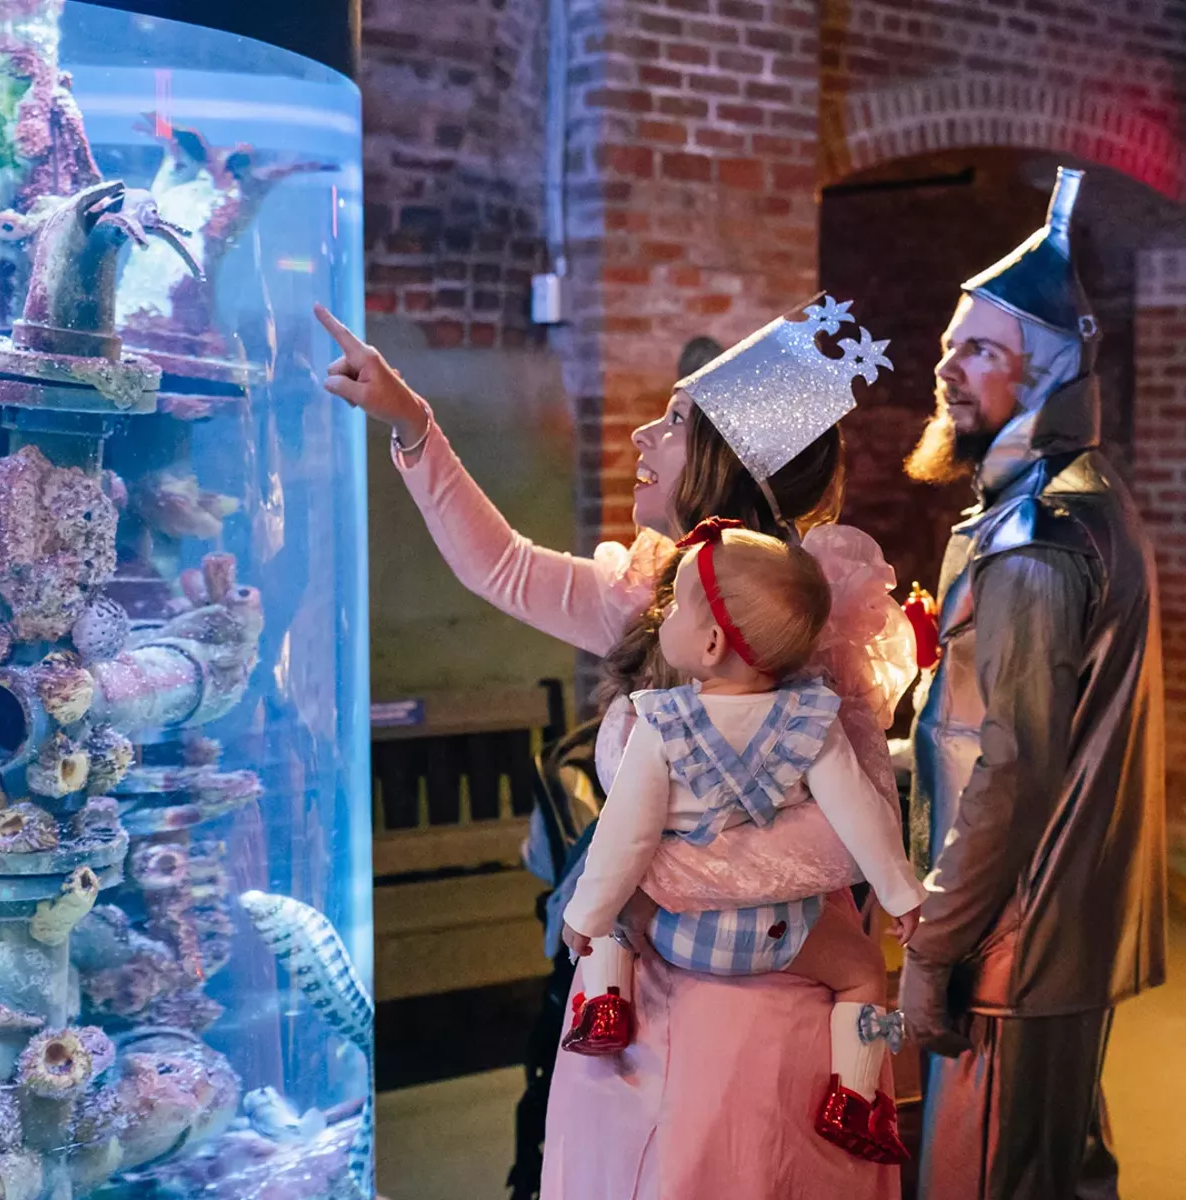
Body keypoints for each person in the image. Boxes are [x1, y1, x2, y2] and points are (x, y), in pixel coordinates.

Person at [315, 295, 916, 1199]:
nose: (641, 434)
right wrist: (414, 427)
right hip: (633, 1017)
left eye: (673, 421)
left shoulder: (813, 626)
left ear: (726, 464)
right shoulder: (648, 598)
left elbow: (854, 830)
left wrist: (653, 883)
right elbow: (504, 566)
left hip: (759, 1019)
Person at [900, 166, 1167, 1200]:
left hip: (1012, 942)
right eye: (948, 342)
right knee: (1059, 1175)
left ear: (1045, 375)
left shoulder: (1029, 540)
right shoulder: (1083, 499)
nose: (945, 366)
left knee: (988, 1182)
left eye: (977, 350)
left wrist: (932, 950)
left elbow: (1007, 770)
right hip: (1059, 935)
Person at [561, 520, 925, 1165]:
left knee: (618, 894)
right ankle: (855, 1100)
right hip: (779, 937)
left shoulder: (661, 722)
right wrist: (901, 897)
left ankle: (605, 1002)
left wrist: (585, 918)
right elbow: (862, 816)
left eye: (674, 605)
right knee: (865, 970)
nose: (663, 613)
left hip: (681, 936)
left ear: (708, 644)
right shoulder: (814, 719)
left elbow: (624, 837)